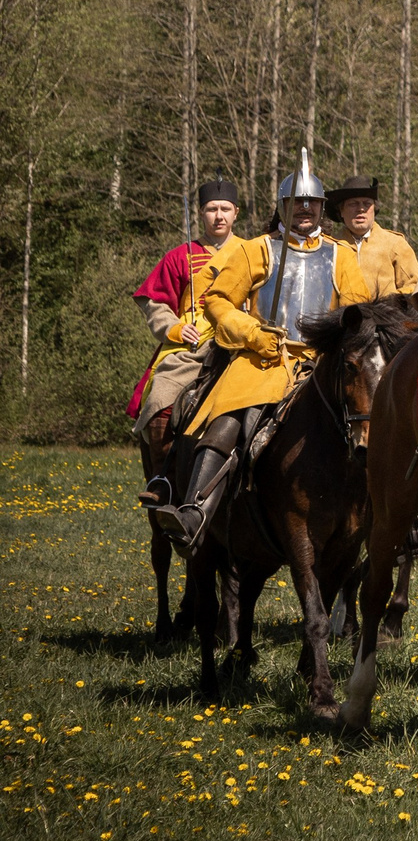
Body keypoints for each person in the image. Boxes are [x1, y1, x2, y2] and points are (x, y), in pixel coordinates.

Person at [147, 152, 372, 551]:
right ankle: (195, 510)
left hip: (319, 362)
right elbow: (218, 301)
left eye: (311, 203)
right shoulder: (255, 250)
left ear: (322, 208)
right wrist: (252, 333)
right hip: (263, 358)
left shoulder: (341, 256)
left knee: (370, 412)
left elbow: (354, 310)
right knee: (229, 418)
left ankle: (392, 515)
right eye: (295, 203)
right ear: (282, 207)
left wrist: (331, 342)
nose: (304, 209)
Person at [131, 176, 245, 496]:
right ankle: (163, 481)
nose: (218, 216)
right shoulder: (180, 255)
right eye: (211, 209)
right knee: (159, 400)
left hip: (241, 341)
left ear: (236, 212)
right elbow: (154, 302)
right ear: (201, 214)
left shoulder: (253, 252)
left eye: (225, 209)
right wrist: (175, 328)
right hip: (192, 346)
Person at [326, 174, 418, 299]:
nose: (361, 209)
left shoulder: (395, 244)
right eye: (353, 204)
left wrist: (386, 305)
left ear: (374, 209)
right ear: (341, 211)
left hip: (387, 317)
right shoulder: (330, 246)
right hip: (339, 318)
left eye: (367, 203)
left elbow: (415, 287)